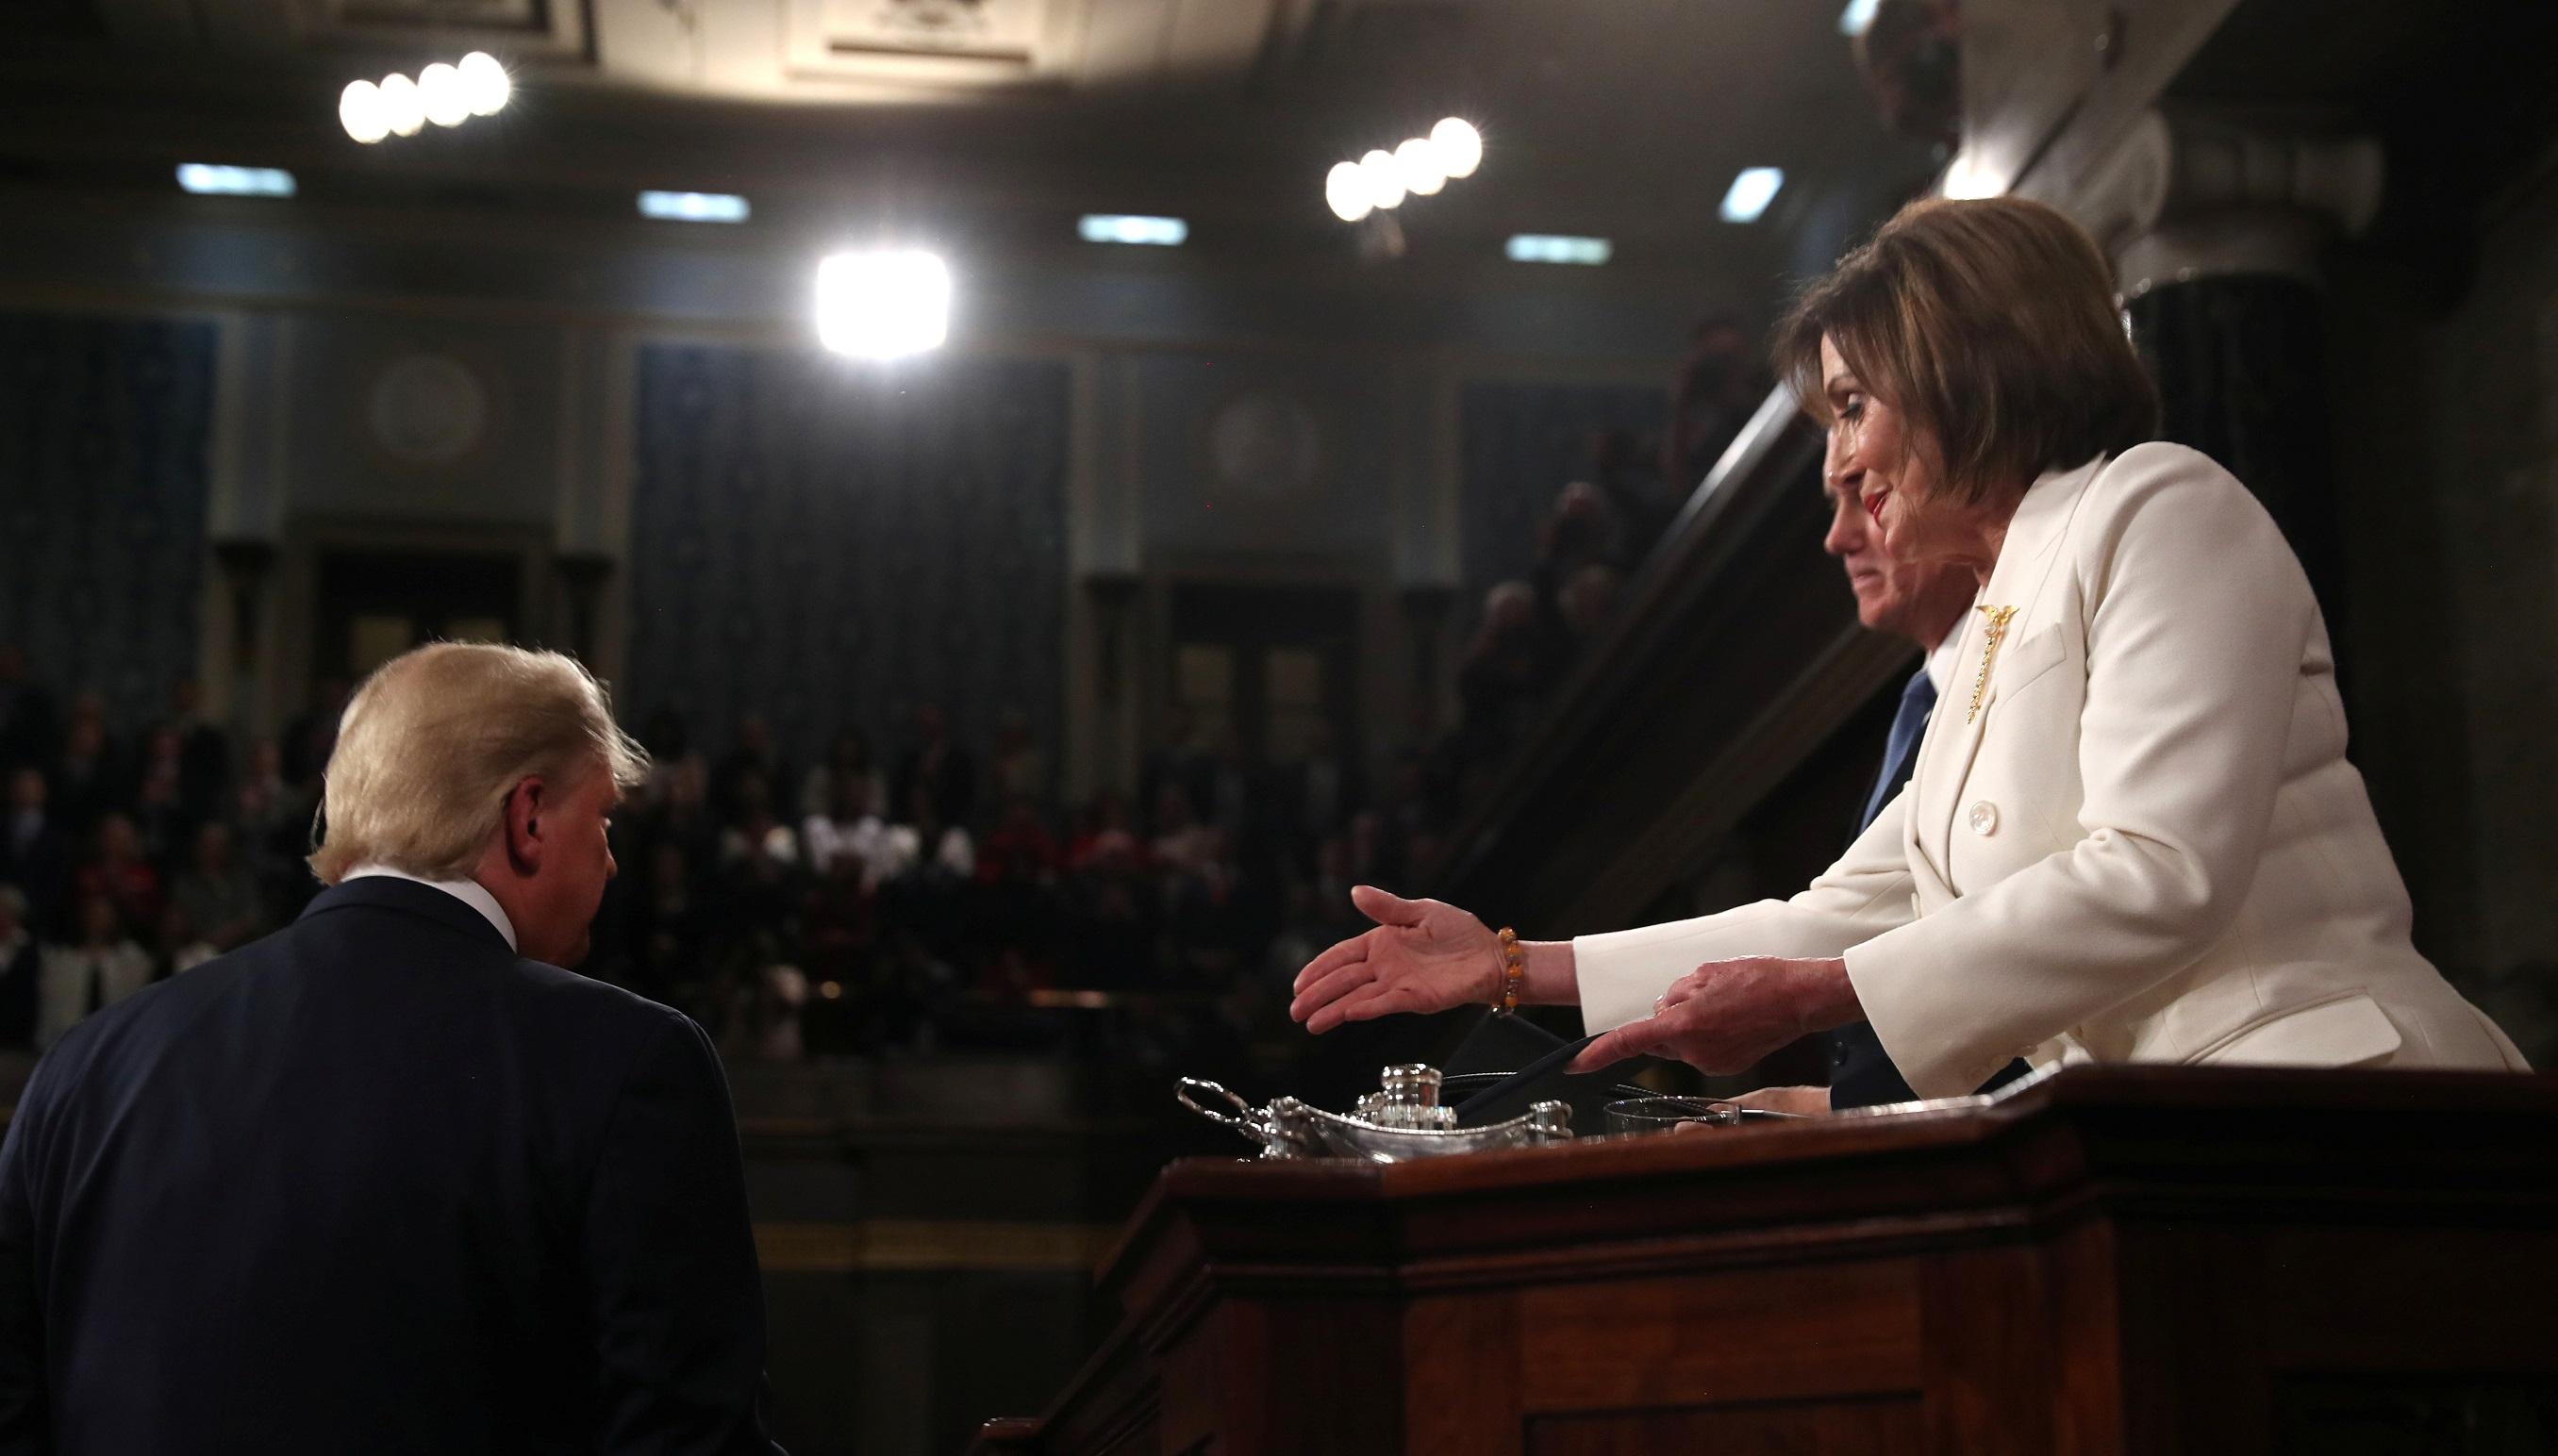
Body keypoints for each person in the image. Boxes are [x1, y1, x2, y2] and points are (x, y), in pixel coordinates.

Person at [1290, 196, 2525, 1098]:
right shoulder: (1984, 631)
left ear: (1966, 368)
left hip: (2342, 1102)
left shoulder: (2158, 503)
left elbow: (2161, 869)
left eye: (1852, 405)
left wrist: (1828, 1001)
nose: (1837, 461)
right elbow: (1840, 913)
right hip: (2170, 1143)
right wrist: (1505, 966)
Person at [0, 642, 785, 1453]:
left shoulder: (87, 1065)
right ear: (529, 817)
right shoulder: (633, 1066)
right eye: (604, 818)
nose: (614, 859)